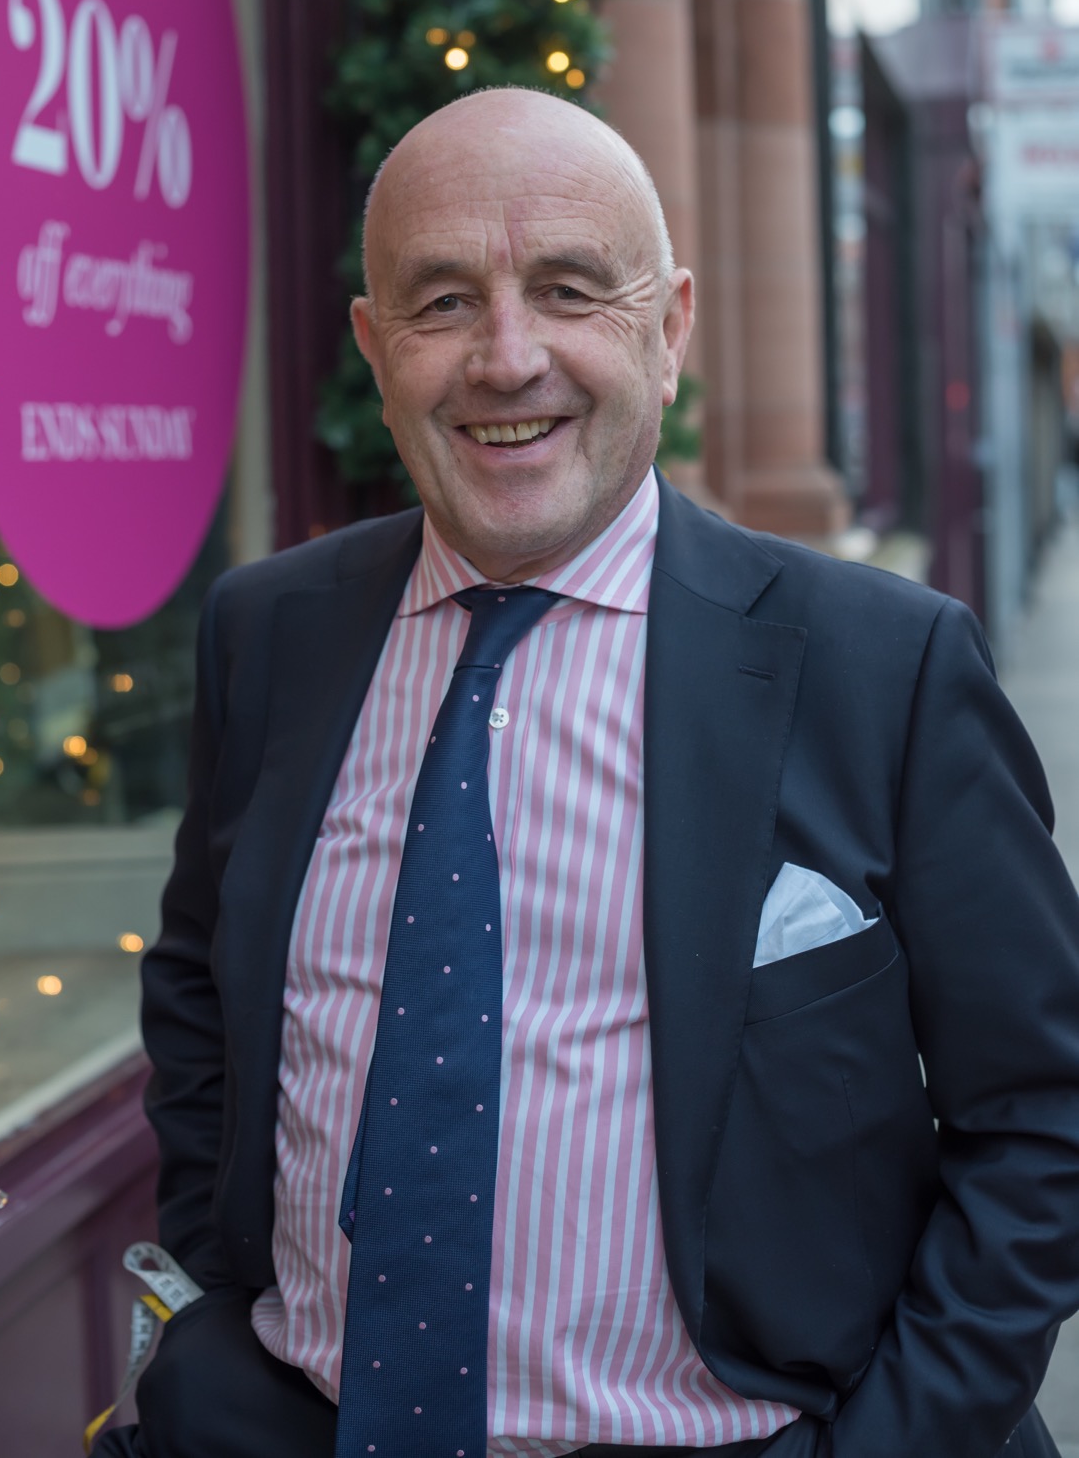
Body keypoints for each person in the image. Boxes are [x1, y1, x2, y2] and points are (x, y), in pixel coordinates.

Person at [95, 88, 1079, 1458]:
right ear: (375, 351)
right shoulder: (271, 631)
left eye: (569, 290)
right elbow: (203, 972)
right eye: (442, 303)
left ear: (669, 327)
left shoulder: (881, 665)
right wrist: (227, 1279)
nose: (508, 359)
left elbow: (1042, 1113)